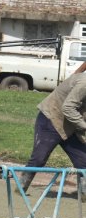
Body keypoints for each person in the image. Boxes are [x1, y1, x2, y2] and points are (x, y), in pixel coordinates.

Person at [18, 61, 86, 199]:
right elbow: (68, 108)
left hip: (72, 125)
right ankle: (20, 189)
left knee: (83, 161)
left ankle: (84, 194)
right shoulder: (84, 83)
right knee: (39, 158)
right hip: (51, 119)